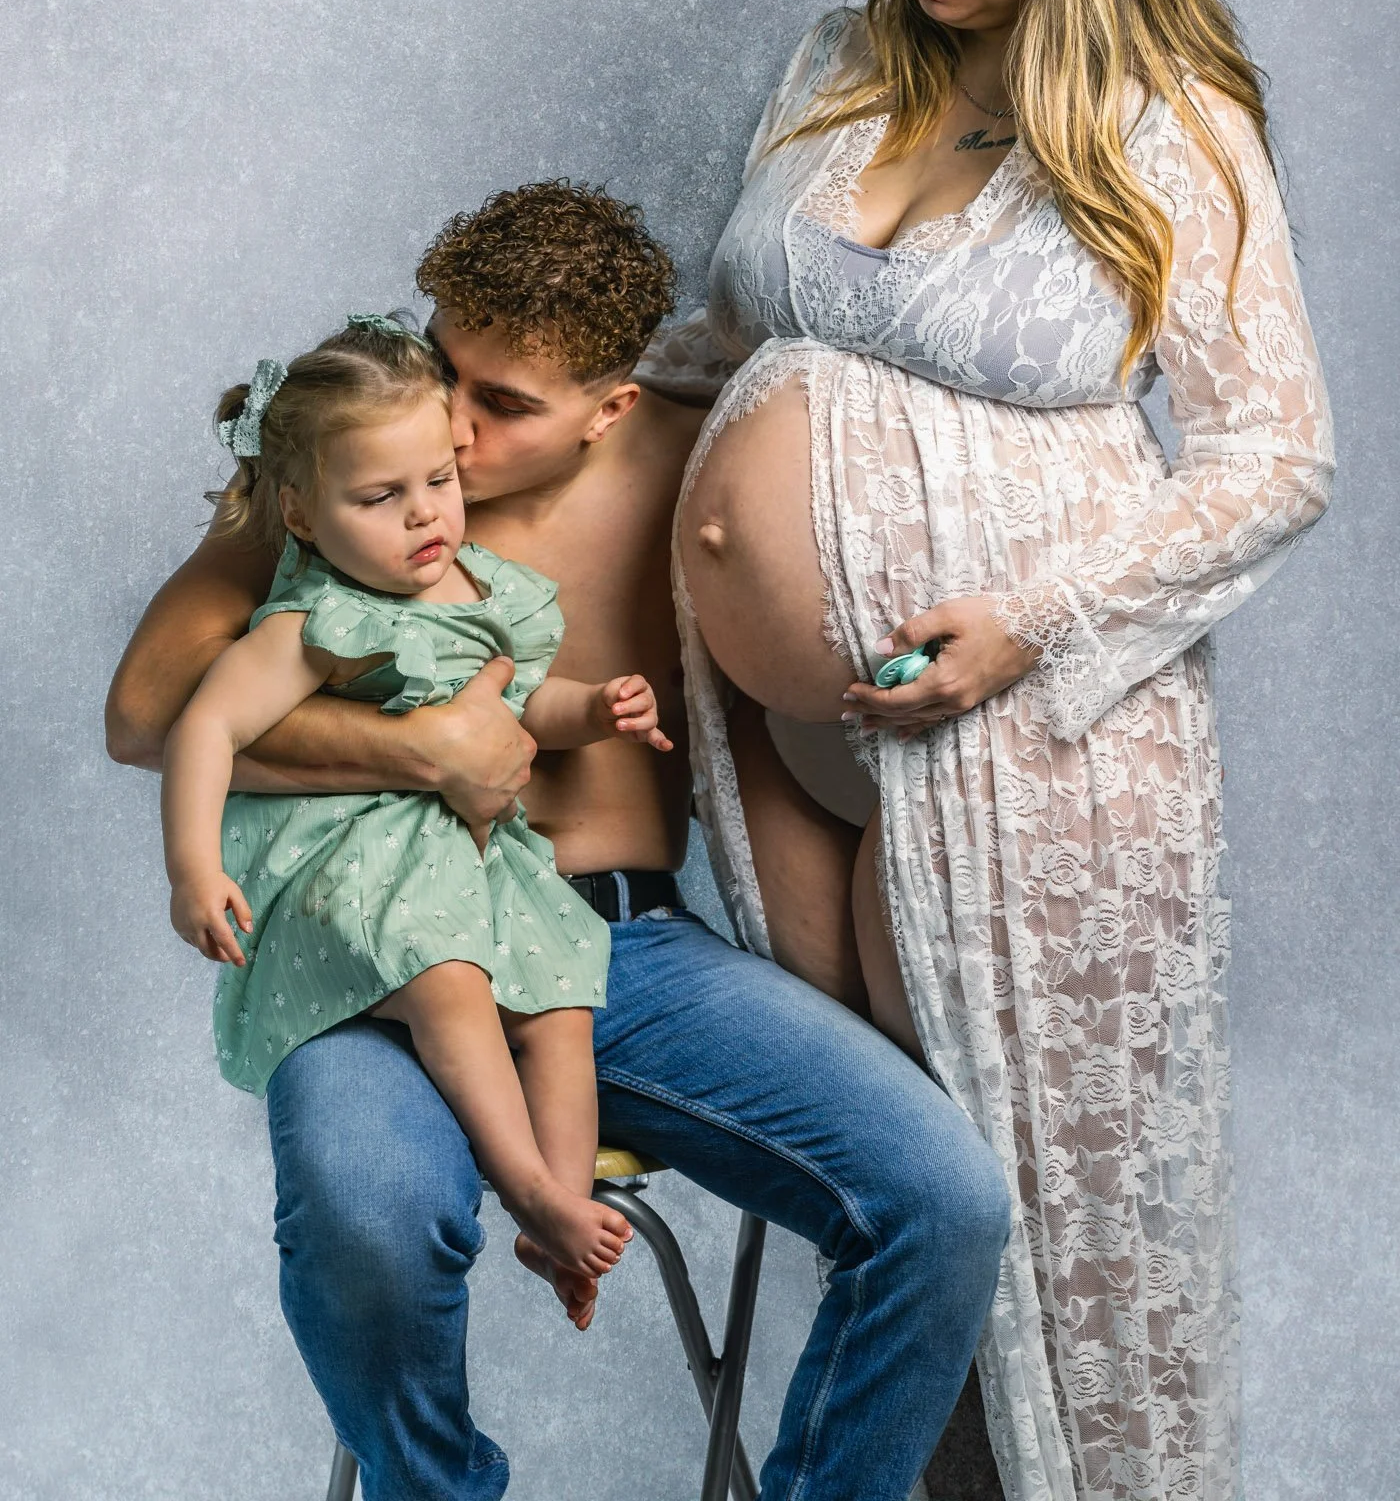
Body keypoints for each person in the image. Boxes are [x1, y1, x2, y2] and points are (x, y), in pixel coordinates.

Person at [650, 0, 1334, 1501]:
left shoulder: (1163, 116)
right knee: (906, 1224)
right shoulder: (834, 58)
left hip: (1032, 728)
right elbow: (726, 345)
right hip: (793, 731)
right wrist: (477, 423)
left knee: (1051, 1253)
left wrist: (1030, 614)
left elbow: (1277, 452)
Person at [106, 181, 1011, 1501]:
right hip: (375, 959)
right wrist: (409, 750)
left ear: (612, 407)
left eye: (505, 405)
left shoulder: (704, 465)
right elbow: (146, 714)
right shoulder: (352, 455)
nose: (454, 435)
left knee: (946, 1204)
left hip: (625, 952)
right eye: (445, 364)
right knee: (368, 1221)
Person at [164, 311, 672, 1314]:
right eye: (379, 497)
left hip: (479, 863)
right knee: (449, 981)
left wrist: (599, 707)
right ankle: (524, 1178)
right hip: (358, 863)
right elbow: (204, 728)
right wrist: (193, 866)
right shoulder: (321, 617)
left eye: (437, 480)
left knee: (561, 1003)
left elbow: (526, 701)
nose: (422, 515)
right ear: (304, 516)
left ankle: (558, 1216)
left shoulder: (484, 590)